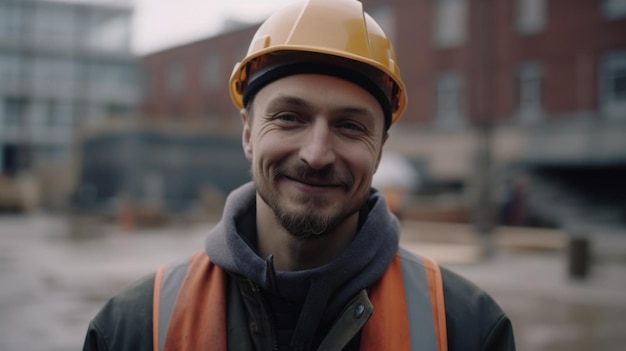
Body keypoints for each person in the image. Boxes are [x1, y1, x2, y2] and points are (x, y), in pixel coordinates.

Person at [83, 0, 515, 350]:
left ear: (380, 149)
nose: (317, 154)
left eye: (350, 125)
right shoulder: (132, 328)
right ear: (249, 134)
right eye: (290, 117)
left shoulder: (468, 330)